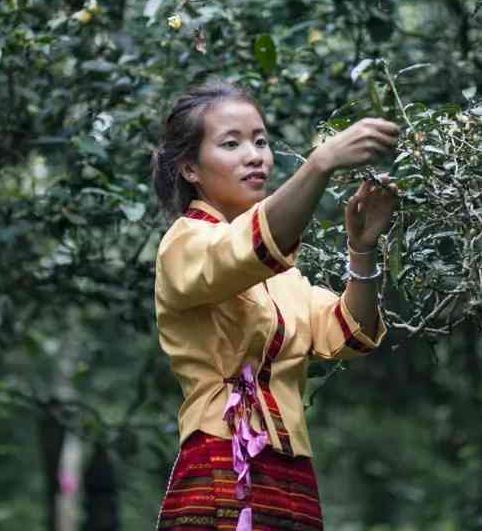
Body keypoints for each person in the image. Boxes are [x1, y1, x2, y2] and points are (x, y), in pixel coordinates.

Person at [150, 80, 402, 530]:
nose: (255, 155)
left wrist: (361, 249)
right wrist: (320, 163)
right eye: (232, 144)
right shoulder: (184, 244)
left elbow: (348, 332)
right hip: (220, 454)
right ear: (190, 169)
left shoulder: (283, 272)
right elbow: (240, 252)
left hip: (291, 469)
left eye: (261, 141)